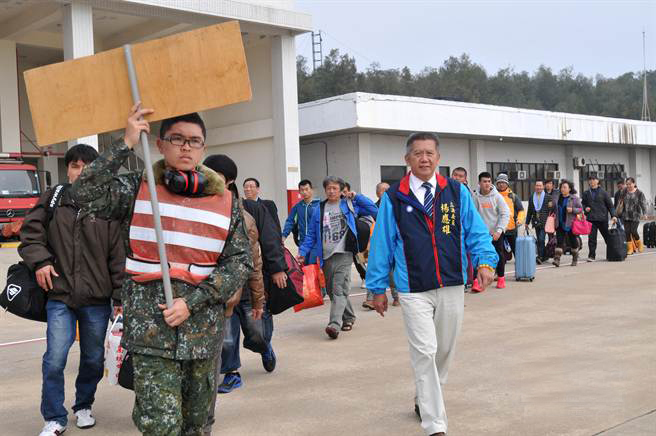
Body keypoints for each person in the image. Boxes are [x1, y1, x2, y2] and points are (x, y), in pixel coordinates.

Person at [71, 106, 252, 435]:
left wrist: (192, 302)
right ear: (160, 144)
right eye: (177, 139)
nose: (186, 147)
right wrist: (123, 143)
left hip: (202, 335)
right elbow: (82, 193)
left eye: (194, 141)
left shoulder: (226, 201)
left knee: (198, 426)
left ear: (204, 149)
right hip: (151, 337)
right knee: (161, 427)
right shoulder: (137, 190)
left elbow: (239, 262)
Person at [366, 132, 497, 436]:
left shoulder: (455, 191)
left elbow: (476, 231)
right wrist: (376, 288)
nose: (423, 159)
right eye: (417, 153)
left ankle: (423, 396)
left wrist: (485, 262)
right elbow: (383, 243)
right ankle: (435, 424)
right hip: (412, 288)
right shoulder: (394, 198)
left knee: (444, 351)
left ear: (438, 158)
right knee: (424, 351)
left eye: (429, 153)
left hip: (451, 283)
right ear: (407, 160)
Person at [19, 144, 125, 436]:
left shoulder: (107, 203)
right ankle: (54, 417)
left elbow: (117, 255)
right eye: (75, 166)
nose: (81, 172)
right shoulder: (54, 198)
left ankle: (83, 405)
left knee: (92, 358)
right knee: (55, 357)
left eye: (87, 166)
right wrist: (39, 262)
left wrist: (119, 296)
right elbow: (30, 234)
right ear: (67, 169)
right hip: (60, 295)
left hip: (97, 299)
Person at [203, 155, 287, 396]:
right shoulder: (200, 210)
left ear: (229, 181)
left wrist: (262, 293)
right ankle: (232, 373)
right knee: (227, 337)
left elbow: (259, 255)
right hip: (221, 289)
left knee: (256, 333)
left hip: (247, 287)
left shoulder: (249, 212)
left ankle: (264, 348)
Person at [298, 176, 378, 339]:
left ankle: (334, 325)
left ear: (342, 190)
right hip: (326, 256)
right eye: (329, 188)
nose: (331, 191)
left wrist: (357, 196)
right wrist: (302, 252)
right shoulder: (318, 209)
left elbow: (374, 210)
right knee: (332, 292)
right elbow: (311, 234)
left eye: (335, 188)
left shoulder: (349, 204)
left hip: (344, 253)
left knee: (339, 288)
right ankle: (348, 317)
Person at [472, 172, 510, 290]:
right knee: (476, 255)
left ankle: (501, 278)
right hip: (480, 233)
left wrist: (499, 230)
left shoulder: (497, 196)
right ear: (479, 183)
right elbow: (472, 214)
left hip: (495, 232)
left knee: (498, 254)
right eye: (484, 181)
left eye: (489, 181)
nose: (487, 184)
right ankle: (476, 282)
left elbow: (505, 213)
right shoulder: (475, 196)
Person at [281, 179, 320, 261]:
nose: (304, 192)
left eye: (306, 189)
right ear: (299, 192)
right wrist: (284, 236)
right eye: (302, 190)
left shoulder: (319, 205)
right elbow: (290, 221)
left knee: (313, 267)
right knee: (304, 267)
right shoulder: (297, 206)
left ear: (311, 190)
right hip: (302, 242)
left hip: (316, 242)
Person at [581, 174, 617, 261]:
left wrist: (614, 216)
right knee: (592, 239)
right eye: (590, 180)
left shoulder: (604, 192)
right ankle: (591, 256)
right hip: (591, 219)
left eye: (593, 179)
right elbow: (583, 203)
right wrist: (585, 208)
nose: (592, 181)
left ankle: (612, 254)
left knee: (608, 238)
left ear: (597, 181)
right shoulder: (586, 193)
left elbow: (610, 206)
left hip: (602, 219)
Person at [552, 179, 583, 267]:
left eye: (565, 187)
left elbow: (581, 209)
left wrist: (572, 210)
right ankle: (557, 259)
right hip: (560, 223)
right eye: (562, 187)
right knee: (559, 242)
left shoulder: (574, 198)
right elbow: (554, 208)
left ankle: (575, 258)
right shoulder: (558, 197)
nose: (563, 189)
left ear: (569, 189)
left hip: (571, 224)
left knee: (573, 242)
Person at [495, 173, 525, 256]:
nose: (501, 184)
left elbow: (521, 210)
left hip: (511, 228)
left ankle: (520, 266)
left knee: (516, 250)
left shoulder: (513, 196)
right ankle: (500, 268)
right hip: (498, 229)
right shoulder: (493, 196)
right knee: (499, 252)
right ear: (497, 184)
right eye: (499, 182)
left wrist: (519, 220)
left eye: (503, 182)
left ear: (507, 184)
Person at [617, 177, 648, 254]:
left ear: (634, 184)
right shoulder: (624, 192)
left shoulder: (639, 193)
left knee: (633, 231)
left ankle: (639, 244)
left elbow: (643, 203)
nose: (628, 186)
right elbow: (620, 202)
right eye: (627, 184)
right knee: (627, 232)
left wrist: (645, 213)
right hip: (626, 214)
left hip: (635, 215)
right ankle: (630, 249)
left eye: (630, 184)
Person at [526, 180, 554, 263]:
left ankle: (540, 256)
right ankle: (543, 255)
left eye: (540, 186)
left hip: (545, 222)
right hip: (536, 221)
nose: (538, 187)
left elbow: (552, 210)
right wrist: (527, 222)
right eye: (537, 185)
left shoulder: (548, 197)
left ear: (543, 187)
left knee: (541, 239)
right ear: (535, 187)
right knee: (539, 239)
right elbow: (529, 211)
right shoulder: (532, 197)